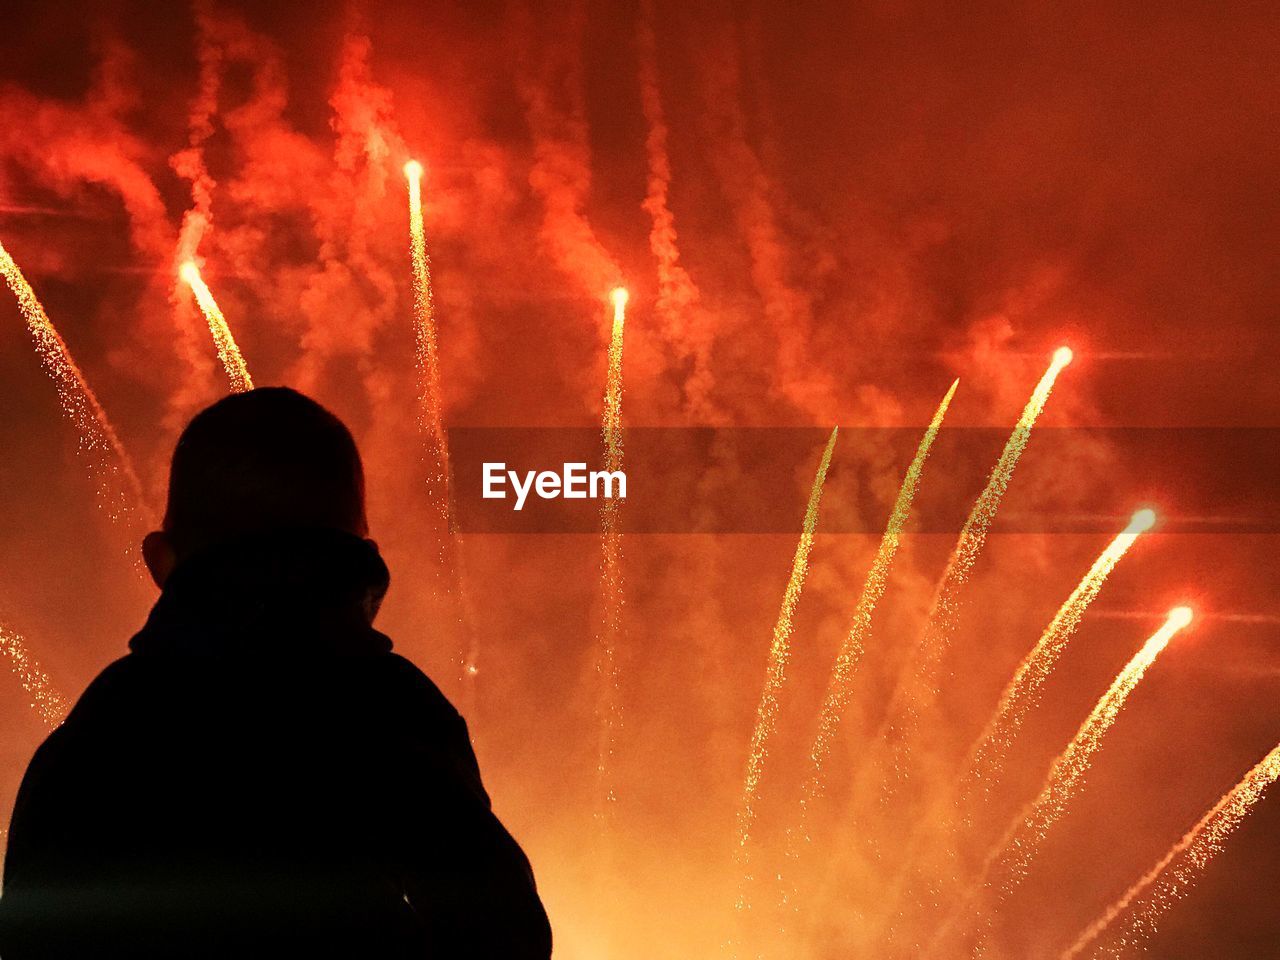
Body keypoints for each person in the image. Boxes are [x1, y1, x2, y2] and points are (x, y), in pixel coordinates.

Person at [0, 387, 551, 959]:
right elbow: (504, 934)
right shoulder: (389, 710)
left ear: (161, 560)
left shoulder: (95, 735)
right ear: (361, 558)